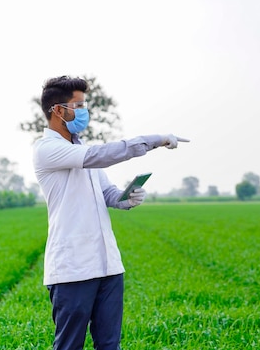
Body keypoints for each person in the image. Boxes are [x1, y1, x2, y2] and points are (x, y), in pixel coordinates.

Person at [33, 76, 189, 350]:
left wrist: (127, 198)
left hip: (108, 266)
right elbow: (101, 155)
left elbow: (107, 194)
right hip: (73, 270)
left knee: (110, 345)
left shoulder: (79, 149)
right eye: (78, 105)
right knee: (69, 346)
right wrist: (155, 140)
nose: (84, 112)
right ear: (58, 110)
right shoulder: (47, 150)